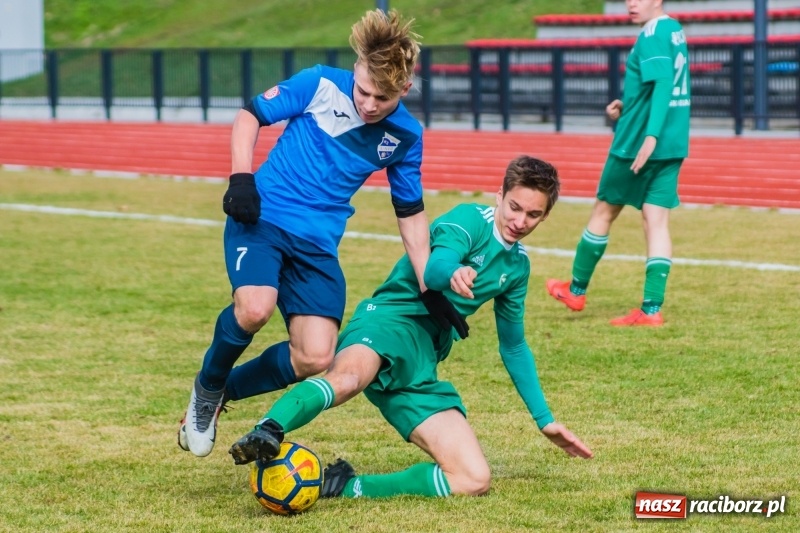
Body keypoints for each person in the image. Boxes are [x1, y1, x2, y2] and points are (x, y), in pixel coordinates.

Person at [178, 9, 468, 458]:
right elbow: (249, 115)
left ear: (405, 90)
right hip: (264, 218)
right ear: (355, 70)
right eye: (364, 91)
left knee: (315, 357)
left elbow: (409, 210)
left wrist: (428, 279)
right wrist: (241, 179)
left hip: (317, 245)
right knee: (255, 308)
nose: (370, 104)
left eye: (383, 98)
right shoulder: (319, 84)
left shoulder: (406, 135)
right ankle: (207, 386)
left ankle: (223, 393)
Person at [225, 155, 593, 500]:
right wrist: (453, 272)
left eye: (533, 214)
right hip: (387, 321)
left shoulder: (516, 268)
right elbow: (433, 270)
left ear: (544, 217)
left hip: (421, 360)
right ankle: (269, 430)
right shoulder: (468, 221)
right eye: (514, 207)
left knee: (472, 479)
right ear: (500, 196)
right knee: (349, 379)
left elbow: (513, 347)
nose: (520, 221)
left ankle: (342, 484)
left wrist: (545, 420)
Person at [546, 0, 690, 326]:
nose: (630, 3)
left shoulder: (652, 32)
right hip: (673, 142)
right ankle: (651, 310)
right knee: (656, 220)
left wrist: (649, 134)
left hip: (637, 144)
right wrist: (627, 106)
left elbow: (664, 82)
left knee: (604, 210)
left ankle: (576, 290)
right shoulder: (674, 29)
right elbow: (657, 89)